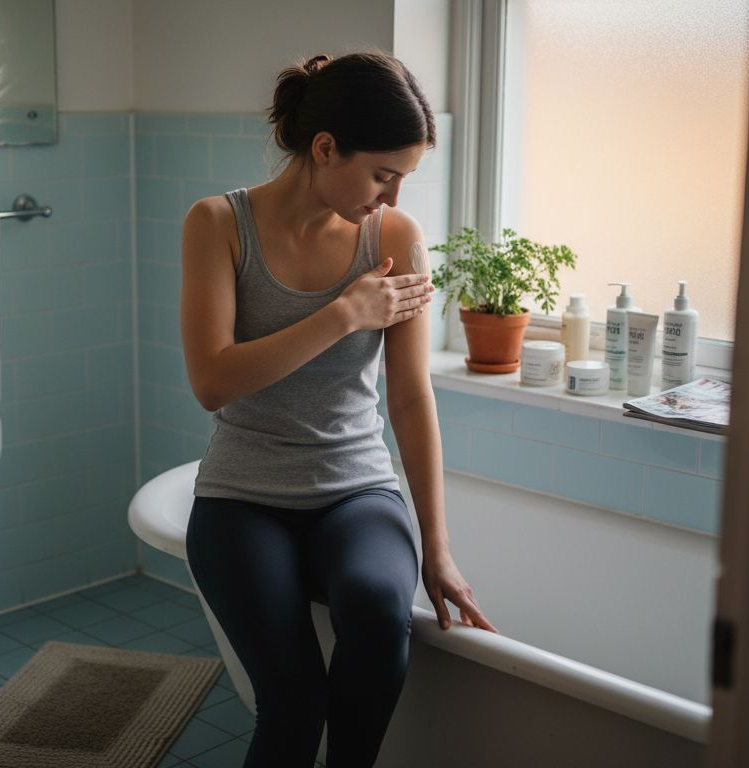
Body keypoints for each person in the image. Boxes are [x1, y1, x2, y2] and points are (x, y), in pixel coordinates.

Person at [179, 51, 498, 768]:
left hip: (357, 493)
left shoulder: (394, 239)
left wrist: (437, 551)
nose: (389, 198)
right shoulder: (218, 226)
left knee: (382, 616)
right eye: (382, 174)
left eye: (402, 181)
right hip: (240, 500)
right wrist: (345, 313)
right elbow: (213, 380)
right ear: (325, 149)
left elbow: (412, 399)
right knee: (293, 704)